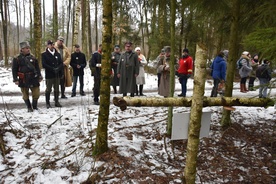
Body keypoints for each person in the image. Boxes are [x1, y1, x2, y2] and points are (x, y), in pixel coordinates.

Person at [12, 41, 43, 112]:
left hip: (33, 77)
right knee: (25, 94)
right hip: (23, 78)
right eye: (26, 48)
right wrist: (15, 79)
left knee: (36, 93)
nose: (28, 49)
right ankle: (29, 107)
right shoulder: (17, 58)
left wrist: (39, 76)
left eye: (28, 48)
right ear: (22, 49)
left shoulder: (33, 57)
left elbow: (37, 68)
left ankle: (34, 106)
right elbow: (14, 69)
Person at [42, 40, 63, 108]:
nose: (52, 46)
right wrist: (52, 69)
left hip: (57, 74)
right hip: (49, 74)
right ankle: (47, 103)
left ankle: (56, 101)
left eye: (53, 44)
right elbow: (44, 64)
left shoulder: (57, 54)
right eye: (50, 44)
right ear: (48, 45)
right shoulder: (44, 54)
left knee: (57, 88)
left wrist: (59, 69)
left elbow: (61, 63)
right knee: (48, 89)